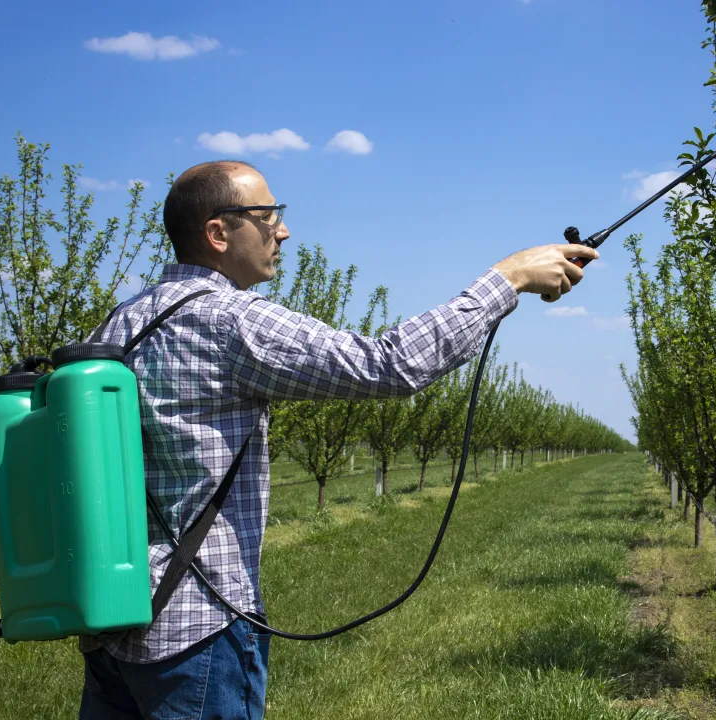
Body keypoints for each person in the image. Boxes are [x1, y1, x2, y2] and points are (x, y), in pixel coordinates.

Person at [77, 160, 598, 719]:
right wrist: (507, 279)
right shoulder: (229, 321)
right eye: (267, 215)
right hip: (198, 629)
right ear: (218, 233)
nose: (283, 229)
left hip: (118, 617)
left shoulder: (119, 324)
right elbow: (386, 365)